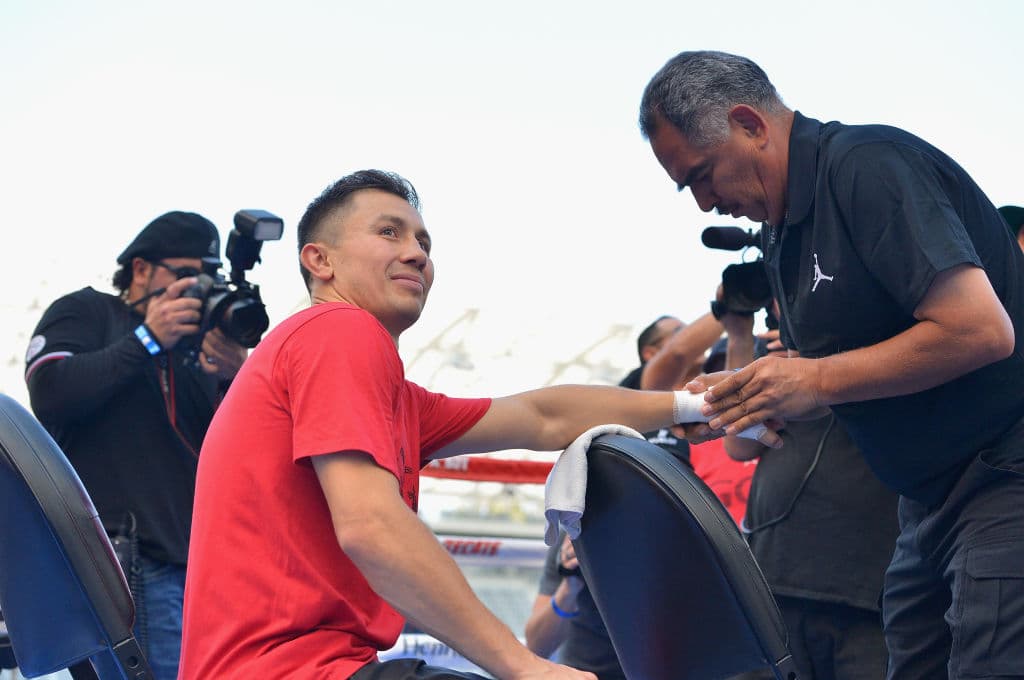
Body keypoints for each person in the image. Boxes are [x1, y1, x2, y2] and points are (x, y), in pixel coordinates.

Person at [178, 169, 750, 679]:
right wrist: (523, 666)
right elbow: (370, 524)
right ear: (319, 261)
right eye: (389, 232)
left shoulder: (383, 390)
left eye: (424, 242)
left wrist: (689, 407)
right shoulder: (338, 331)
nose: (416, 254)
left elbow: (542, 416)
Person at [640, 50, 1024, 678]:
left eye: (703, 175)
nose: (705, 204)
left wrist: (814, 379)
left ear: (750, 124)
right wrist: (751, 389)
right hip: (922, 502)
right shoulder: (781, 232)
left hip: (1002, 475)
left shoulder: (868, 168)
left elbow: (980, 329)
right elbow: (815, 374)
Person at [24, 211, 248, 680]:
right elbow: (49, 392)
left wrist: (238, 378)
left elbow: (239, 451)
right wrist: (148, 338)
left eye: (207, 279)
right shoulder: (89, 311)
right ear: (141, 269)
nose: (196, 290)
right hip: (126, 562)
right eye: (185, 274)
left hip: (205, 566)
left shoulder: (199, 346)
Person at [721, 305, 900, 679]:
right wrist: (740, 338)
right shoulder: (780, 355)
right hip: (773, 578)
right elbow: (738, 446)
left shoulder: (890, 337)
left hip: (869, 589)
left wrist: (820, 371)